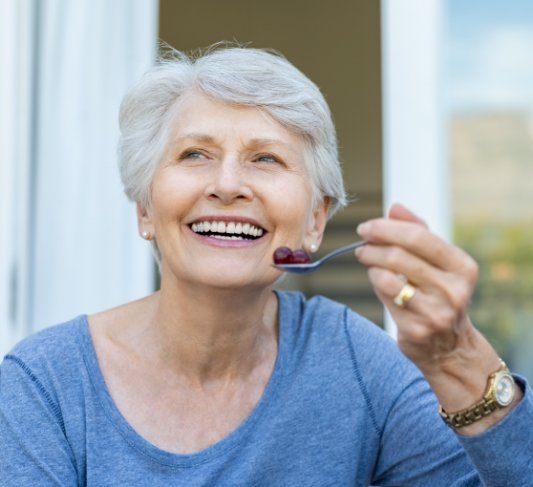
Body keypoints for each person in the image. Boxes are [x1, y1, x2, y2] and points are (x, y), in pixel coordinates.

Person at [0, 46, 531, 486]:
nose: (228, 184)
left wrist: (458, 361)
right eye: (194, 155)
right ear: (144, 209)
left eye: (266, 158)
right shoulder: (44, 385)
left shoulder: (358, 365)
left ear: (315, 222)